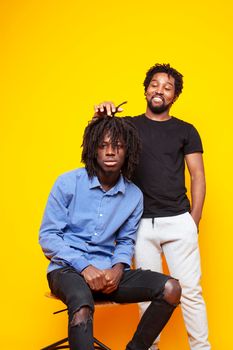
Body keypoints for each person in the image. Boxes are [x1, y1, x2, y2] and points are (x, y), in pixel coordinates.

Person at [94, 63, 211, 350]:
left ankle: (201, 348)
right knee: (149, 294)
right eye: (155, 84)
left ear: (174, 96)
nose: (160, 90)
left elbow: (197, 174)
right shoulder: (128, 126)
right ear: (146, 89)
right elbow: (100, 146)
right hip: (140, 224)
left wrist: (193, 220)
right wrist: (98, 117)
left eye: (167, 87)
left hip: (178, 221)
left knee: (191, 292)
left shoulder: (186, 130)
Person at [39, 116, 181, 350]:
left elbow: (125, 241)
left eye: (118, 146)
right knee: (82, 304)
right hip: (66, 270)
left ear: (128, 151)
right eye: (103, 146)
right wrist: (85, 267)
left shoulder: (134, 195)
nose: (110, 152)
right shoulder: (67, 183)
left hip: (108, 272)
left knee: (171, 289)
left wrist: (117, 269)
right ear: (93, 149)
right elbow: (48, 237)